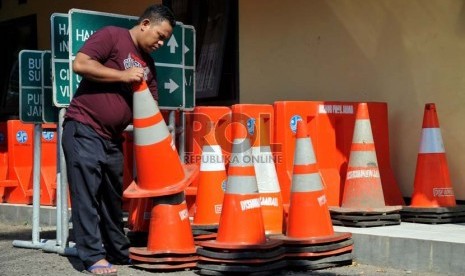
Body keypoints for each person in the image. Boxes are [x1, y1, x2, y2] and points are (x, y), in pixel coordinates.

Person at [62, 5, 175, 275]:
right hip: (83, 127)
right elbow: (81, 64)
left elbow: (150, 108)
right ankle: (92, 257)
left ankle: (118, 252)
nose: (160, 43)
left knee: (112, 198)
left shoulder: (149, 65)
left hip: (112, 138)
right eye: (159, 36)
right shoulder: (112, 36)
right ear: (145, 23)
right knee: (86, 195)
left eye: (165, 41)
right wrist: (123, 75)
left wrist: (162, 138)